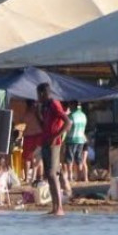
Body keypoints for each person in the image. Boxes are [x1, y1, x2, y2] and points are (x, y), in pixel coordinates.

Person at [36, 82, 72, 216]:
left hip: (54, 143)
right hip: (46, 142)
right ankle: (55, 206)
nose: (37, 97)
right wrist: (37, 114)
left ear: (43, 93)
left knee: (52, 174)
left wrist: (55, 137)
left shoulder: (54, 104)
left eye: (38, 94)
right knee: (49, 176)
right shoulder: (45, 107)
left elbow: (68, 123)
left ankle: (59, 208)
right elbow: (44, 125)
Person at [21, 100, 44, 183]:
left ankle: (27, 178)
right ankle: (35, 177)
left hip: (29, 136)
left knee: (27, 158)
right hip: (38, 135)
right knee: (36, 158)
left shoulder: (27, 114)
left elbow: (22, 121)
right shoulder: (38, 114)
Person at [65, 101, 87, 184]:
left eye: (69, 105)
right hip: (81, 139)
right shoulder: (83, 115)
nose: (69, 107)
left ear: (73, 105)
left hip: (71, 139)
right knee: (79, 158)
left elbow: (67, 127)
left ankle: (70, 176)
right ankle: (79, 176)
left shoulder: (71, 116)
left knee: (69, 158)